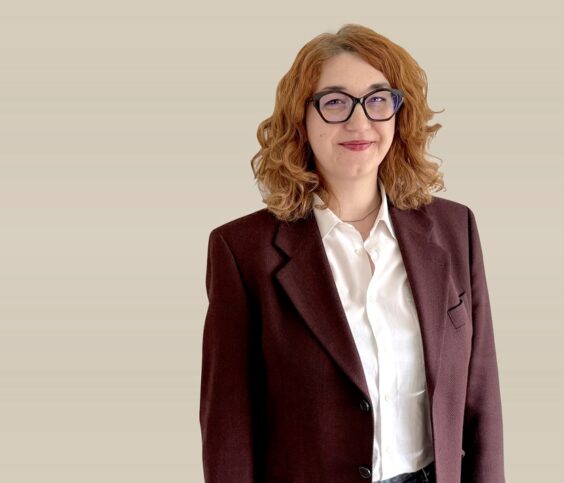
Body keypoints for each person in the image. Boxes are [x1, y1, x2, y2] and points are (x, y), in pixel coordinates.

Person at [199, 24, 505, 483]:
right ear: (301, 119)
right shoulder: (243, 251)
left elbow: (481, 400)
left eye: (377, 100)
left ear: (399, 114)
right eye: (335, 102)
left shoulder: (453, 228)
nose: (360, 122)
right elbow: (228, 428)